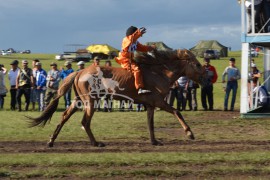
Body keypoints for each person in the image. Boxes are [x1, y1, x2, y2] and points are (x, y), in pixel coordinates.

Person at [115, 26, 155, 94]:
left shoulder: (135, 42)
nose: (141, 36)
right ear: (133, 33)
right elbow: (132, 38)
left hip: (130, 59)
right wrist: (138, 33)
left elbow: (142, 48)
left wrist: (151, 48)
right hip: (125, 60)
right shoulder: (126, 39)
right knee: (137, 69)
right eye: (136, 33)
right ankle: (139, 88)